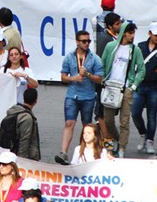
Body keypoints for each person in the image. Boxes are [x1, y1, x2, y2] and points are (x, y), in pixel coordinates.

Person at [55, 30, 103, 165]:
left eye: (88, 41)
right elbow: (63, 77)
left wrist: (87, 75)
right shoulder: (69, 57)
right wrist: (74, 78)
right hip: (72, 95)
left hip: (88, 97)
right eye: (84, 41)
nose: (87, 43)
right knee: (69, 123)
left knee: (87, 126)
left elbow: (100, 79)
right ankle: (63, 153)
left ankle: (86, 154)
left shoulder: (94, 58)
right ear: (77, 42)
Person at [101, 22, 146, 158]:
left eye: (134, 33)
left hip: (126, 88)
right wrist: (104, 80)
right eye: (130, 33)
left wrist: (133, 86)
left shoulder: (135, 50)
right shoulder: (111, 47)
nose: (132, 36)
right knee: (108, 120)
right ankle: (116, 138)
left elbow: (141, 69)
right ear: (124, 33)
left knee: (124, 121)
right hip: (111, 86)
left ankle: (121, 147)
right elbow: (103, 63)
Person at [131, 22, 157, 154]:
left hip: (155, 86)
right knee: (135, 112)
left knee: (152, 114)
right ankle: (143, 134)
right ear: (149, 34)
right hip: (140, 85)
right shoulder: (140, 47)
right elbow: (133, 63)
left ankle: (150, 141)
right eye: (155, 34)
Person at [3, 88, 41, 161]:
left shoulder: (13, 112)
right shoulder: (27, 118)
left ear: (24, 98)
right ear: (35, 101)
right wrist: (22, 161)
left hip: (10, 152)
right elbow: (24, 140)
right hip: (21, 157)